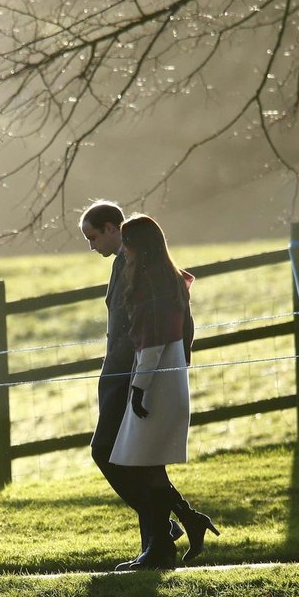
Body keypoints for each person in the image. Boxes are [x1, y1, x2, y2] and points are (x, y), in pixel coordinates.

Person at [80, 201, 206, 570]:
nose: (91, 246)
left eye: (92, 236)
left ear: (111, 228)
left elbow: (155, 326)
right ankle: (165, 536)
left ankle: (167, 528)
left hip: (129, 373)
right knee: (142, 461)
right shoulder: (135, 262)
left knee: (109, 452)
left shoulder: (139, 264)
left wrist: (163, 371)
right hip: (126, 371)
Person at [108, 213, 219, 570]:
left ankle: (162, 544)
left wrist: (138, 389)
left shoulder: (151, 286)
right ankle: (186, 522)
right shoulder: (169, 280)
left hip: (156, 382)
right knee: (148, 465)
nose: (123, 251)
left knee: (142, 463)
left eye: (126, 244)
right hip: (168, 377)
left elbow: (151, 345)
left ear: (137, 245)